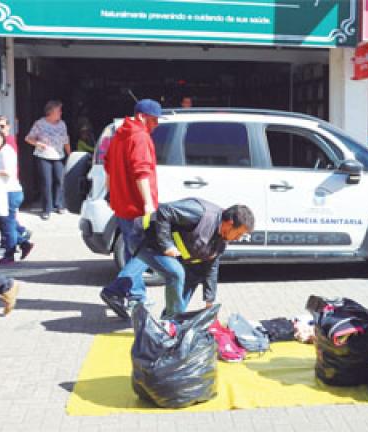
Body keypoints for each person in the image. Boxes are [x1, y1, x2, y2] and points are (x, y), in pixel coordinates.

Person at [116, 199, 253, 319]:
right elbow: (164, 210)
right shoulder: (201, 213)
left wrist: (209, 301)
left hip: (163, 247)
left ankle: (169, 318)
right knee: (176, 273)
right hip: (144, 238)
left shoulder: (221, 240)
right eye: (239, 233)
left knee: (194, 274)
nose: (238, 238)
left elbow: (211, 267)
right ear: (229, 223)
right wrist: (167, 245)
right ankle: (173, 320)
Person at [99, 99, 163, 320]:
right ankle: (117, 291)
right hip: (137, 207)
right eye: (154, 120)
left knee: (131, 251)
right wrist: (148, 205)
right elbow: (141, 172)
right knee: (147, 251)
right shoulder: (140, 137)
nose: (156, 125)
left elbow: (107, 165)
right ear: (142, 116)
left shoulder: (119, 135)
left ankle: (136, 295)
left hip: (122, 204)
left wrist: (110, 193)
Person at [0, 127, 35, 265]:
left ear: (2, 137)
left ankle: (9, 254)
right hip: (1, 192)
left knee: (7, 224)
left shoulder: (6, 152)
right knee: (0, 222)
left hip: (10, 192)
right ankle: (24, 243)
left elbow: (8, 172)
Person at [25, 100, 71, 220]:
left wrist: (70, 154)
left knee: (60, 180)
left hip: (58, 155)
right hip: (44, 156)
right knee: (46, 182)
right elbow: (28, 138)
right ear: (50, 112)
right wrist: (38, 143)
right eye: (58, 110)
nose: (61, 113)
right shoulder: (40, 124)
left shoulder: (62, 124)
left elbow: (66, 140)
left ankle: (59, 204)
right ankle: (46, 209)